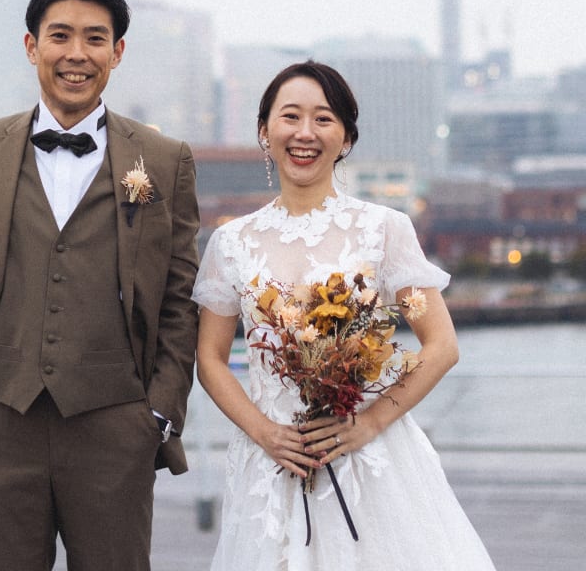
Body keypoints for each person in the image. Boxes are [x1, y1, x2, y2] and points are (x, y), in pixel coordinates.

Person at [0, 0, 200, 571]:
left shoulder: (164, 159)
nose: (76, 54)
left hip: (116, 427)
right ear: (32, 46)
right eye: (60, 36)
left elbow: (180, 300)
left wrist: (157, 415)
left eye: (94, 38)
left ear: (118, 51)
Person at [194, 61, 496, 570]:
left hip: (366, 457)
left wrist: (368, 423)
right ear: (264, 131)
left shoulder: (384, 228)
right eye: (290, 117)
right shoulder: (231, 242)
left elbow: (442, 346)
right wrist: (266, 433)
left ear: (346, 137)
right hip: (270, 463)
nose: (305, 133)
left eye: (324, 119)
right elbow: (210, 359)